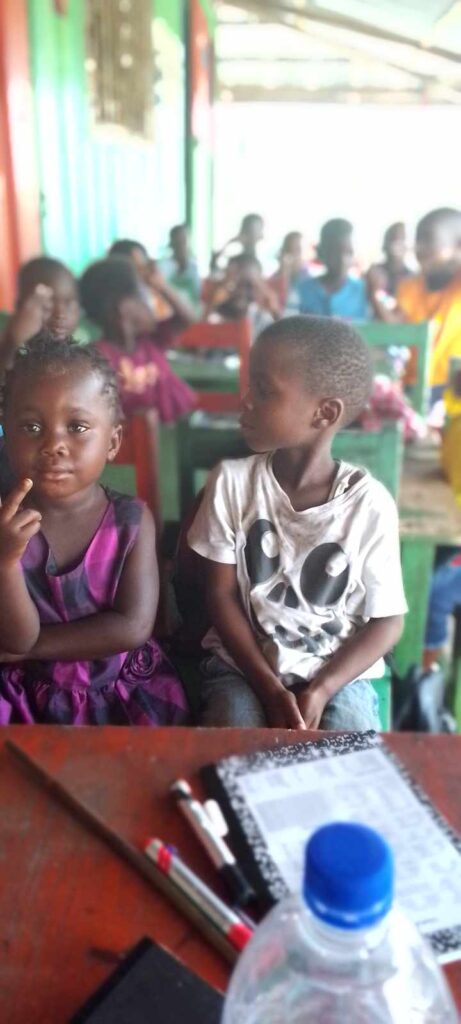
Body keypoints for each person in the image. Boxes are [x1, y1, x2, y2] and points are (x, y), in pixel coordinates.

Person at [188, 315, 406, 729]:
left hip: (338, 673)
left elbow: (387, 622)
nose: (246, 400)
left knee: (349, 753)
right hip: (241, 665)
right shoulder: (232, 484)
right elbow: (219, 595)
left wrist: (322, 688)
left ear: (324, 413)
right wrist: (270, 688)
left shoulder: (369, 506)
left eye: (265, 391)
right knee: (232, 734)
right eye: (250, 384)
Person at [0, 336, 187, 725]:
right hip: (25, 699)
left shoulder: (131, 521)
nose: (54, 444)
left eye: (77, 426)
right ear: (6, 434)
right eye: (31, 426)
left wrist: (35, 648)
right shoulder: (6, 525)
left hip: (120, 693)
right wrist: (5, 561)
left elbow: (133, 626)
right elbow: (15, 639)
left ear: (113, 441)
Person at [79, 257, 195, 422]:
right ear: (124, 308)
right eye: (145, 297)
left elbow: (187, 318)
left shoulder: (152, 340)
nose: (152, 306)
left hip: (166, 440)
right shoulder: (98, 357)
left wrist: (161, 285)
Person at [396, 208, 461, 396]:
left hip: (451, 388)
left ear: (457, 245)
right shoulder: (408, 287)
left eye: (429, 240)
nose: (419, 248)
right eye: (417, 240)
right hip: (410, 386)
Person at [0, 256, 81, 375]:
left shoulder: (81, 358)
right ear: (20, 306)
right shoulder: (9, 351)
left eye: (68, 303)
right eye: (47, 306)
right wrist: (11, 344)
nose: (60, 314)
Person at [298, 219, 368, 320]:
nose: (342, 259)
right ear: (322, 252)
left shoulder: (363, 290)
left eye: (348, 252)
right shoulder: (303, 290)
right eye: (335, 252)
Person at [205, 254, 278, 340]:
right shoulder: (216, 316)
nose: (242, 292)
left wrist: (272, 307)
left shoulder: (262, 319)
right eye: (236, 284)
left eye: (249, 285)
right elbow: (197, 342)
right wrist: (214, 302)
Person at [367, 222, 412, 319]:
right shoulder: (373, 273)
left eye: (401, 240)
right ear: (384, 245)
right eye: (392, 239)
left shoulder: (412, 280)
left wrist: (376, 293)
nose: (396, 244)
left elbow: (397, 321)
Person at [268, 232, 310, 315]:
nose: (294, 255)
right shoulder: (273, 281)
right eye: (289, 250)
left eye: (298, 250)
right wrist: (284, 274)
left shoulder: (310, 283)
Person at [162, 225, 201, 311]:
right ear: (171, 243)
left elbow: (198, 295)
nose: (181, 245)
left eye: (184, 241)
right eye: (178, 241)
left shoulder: (194, 266)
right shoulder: (164, 266)